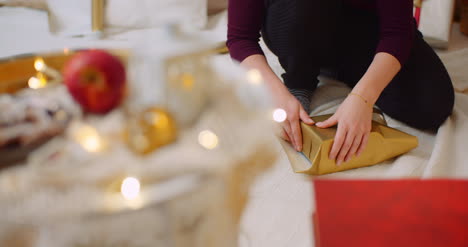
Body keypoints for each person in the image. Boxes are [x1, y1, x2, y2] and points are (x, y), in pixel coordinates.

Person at [227, 0, 455, 166]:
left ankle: (344, 69)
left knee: (433, 105)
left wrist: (362, 98)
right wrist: (277, 94)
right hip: (297, 19)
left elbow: (397, 32)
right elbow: (240, 38)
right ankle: (301, 77)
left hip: (364, 25)